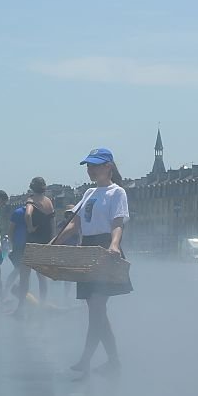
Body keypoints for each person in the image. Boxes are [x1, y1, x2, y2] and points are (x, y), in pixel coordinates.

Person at [51, 149, 132, 375]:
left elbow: (118, 222)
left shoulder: (118, 193)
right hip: (86, 248)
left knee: (96, 308)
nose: (91, 170)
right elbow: (74, 224)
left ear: (109, 167)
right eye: (88, 166)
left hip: (105, 248)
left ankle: (86, 360)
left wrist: (114, 244)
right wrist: (55, 241)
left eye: (95, 165)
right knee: (97, 310)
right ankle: (114, 361)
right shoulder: (88, 193)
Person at [13, 177, 55, 316]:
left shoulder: (31, 201)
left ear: (32, 187)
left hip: (32, 243)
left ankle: (20, 308)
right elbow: (52, 222)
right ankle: (42, 304)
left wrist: (30, 227)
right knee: (41, 276)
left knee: (24, 275)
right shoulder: (49, 201)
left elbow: (28, 214)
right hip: (46, 242)